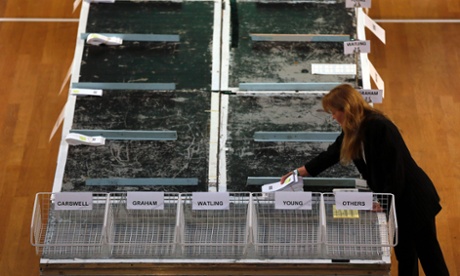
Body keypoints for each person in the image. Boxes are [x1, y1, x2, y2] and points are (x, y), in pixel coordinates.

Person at [281, 84, 449, 276]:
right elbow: (332, 154)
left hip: (413, 200)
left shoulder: (379, 127)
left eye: (334, 112)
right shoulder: (353, 129)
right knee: (406, 256)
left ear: (346, 109)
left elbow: (395, 171)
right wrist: (299, 172)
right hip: (397, 200)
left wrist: (383, 201)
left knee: (429, 257)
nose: (333, 117)